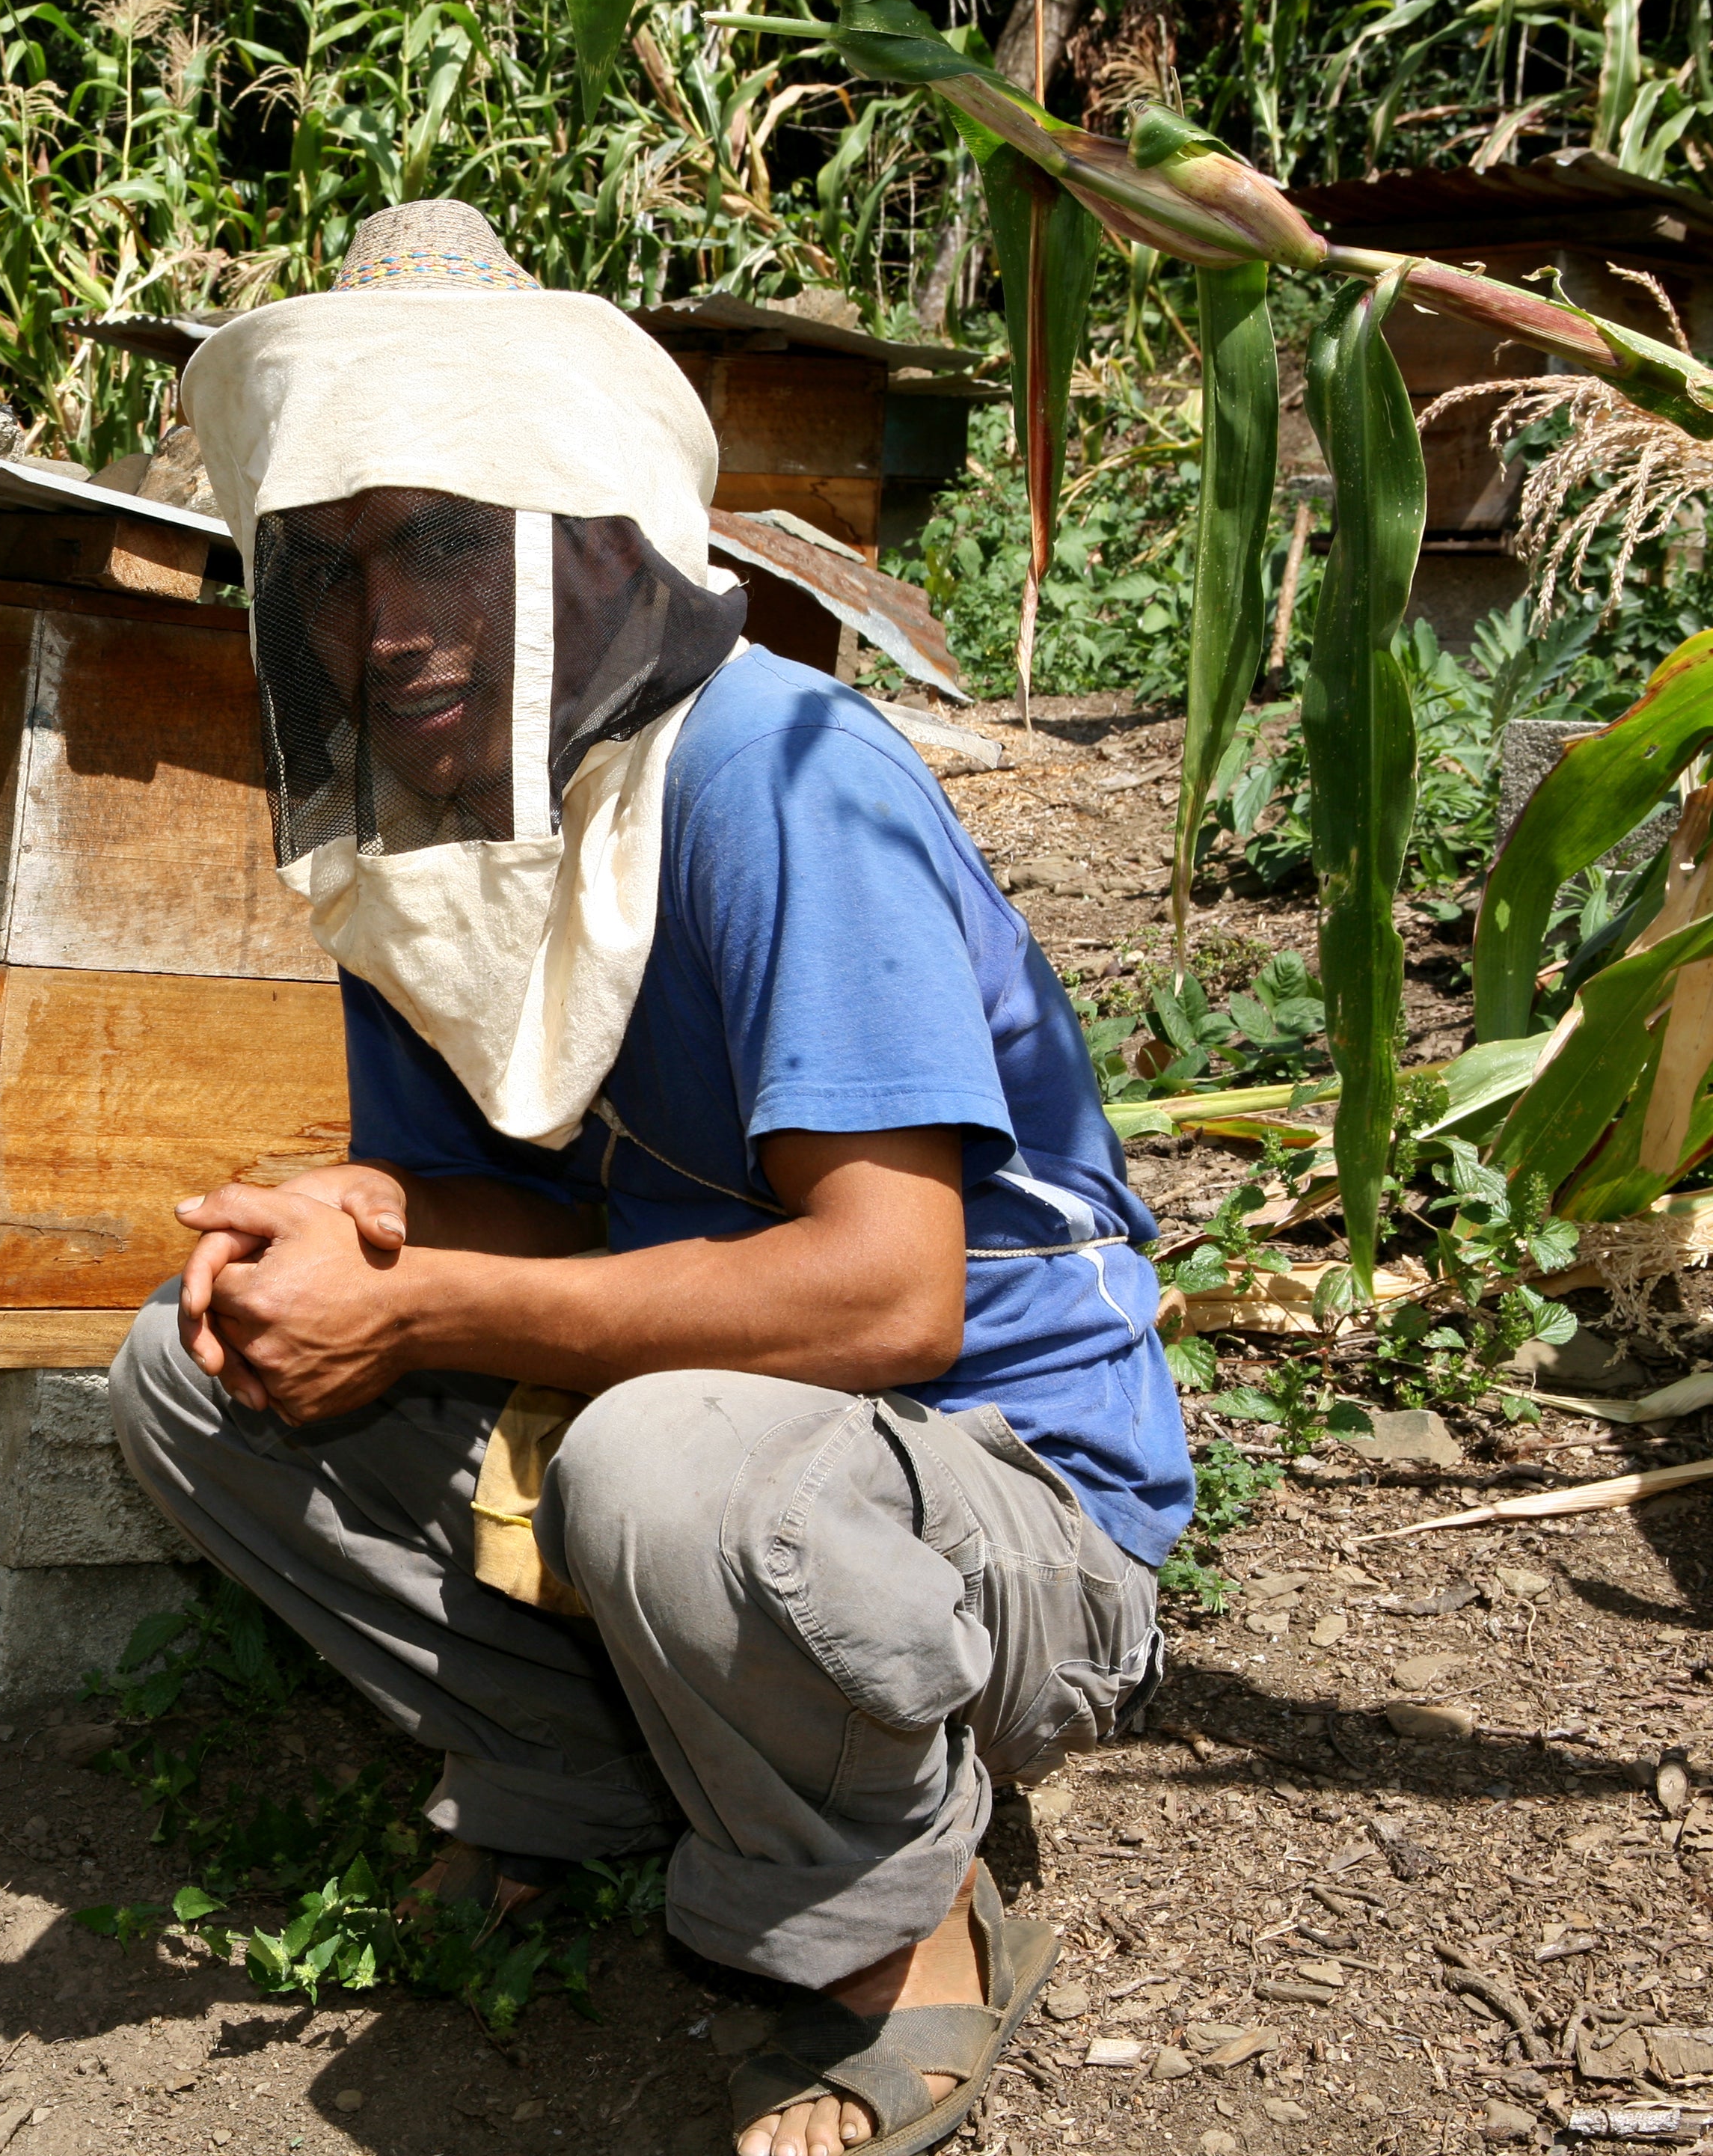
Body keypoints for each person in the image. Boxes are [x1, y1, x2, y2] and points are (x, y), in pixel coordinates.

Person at [105, 201, 1191, 2156]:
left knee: (664, 1465)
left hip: (1005, 1487)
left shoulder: (782, 775)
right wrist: (357, 1219)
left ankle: (907, 1930)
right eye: (338, 568)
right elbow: (519, 1204)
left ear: (581, 528)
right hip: (741, 1433)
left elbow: (889, 1296)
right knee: (185, 1374)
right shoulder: (435, 838)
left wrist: (429, 1300)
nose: (388, 621)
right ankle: (576, 1778)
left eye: (443, 537)